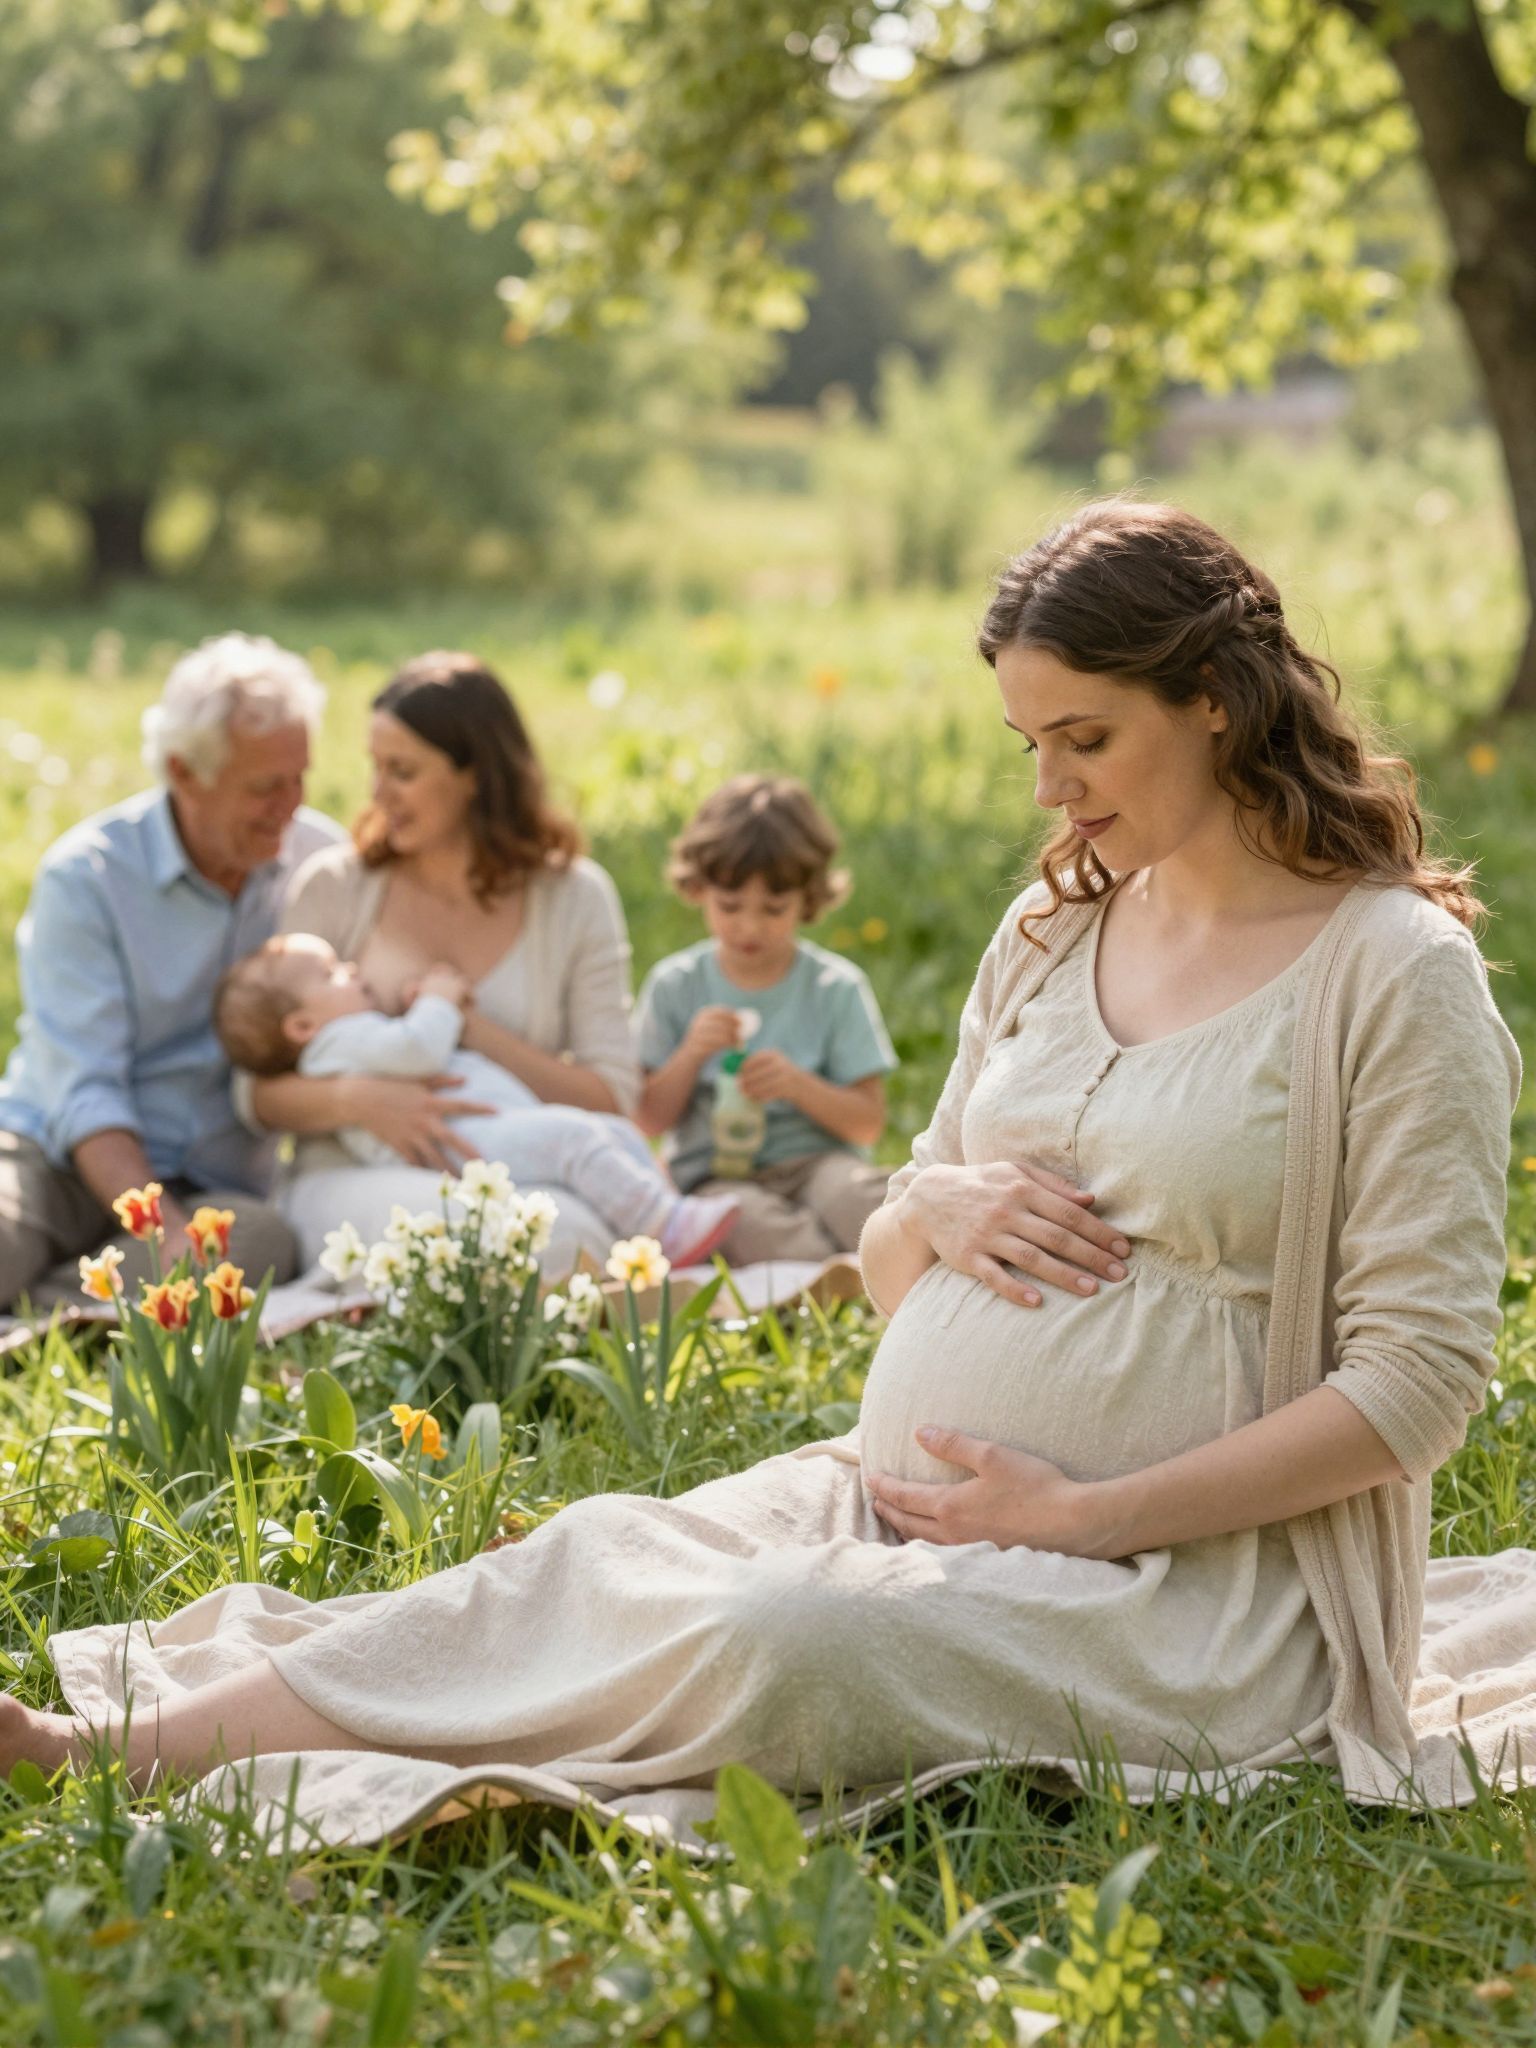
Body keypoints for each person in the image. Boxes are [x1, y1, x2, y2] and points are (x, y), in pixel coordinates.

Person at [12, 502, 1536, 1842]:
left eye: (1088, 740)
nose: (1050, 792)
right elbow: (887, 1266)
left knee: (782, 1637)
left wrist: (1086, 1516)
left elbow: (1417, 1388)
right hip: (904, 1510)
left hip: (1199, 1600)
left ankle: (219, 1741)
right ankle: (115, 1751)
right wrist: (925, 1207)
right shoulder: (1055, 929)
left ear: (1212, 699)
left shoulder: (1388, 977)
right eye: (1030, 745)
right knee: (594, 1559)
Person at [233, 650, 647, 1274]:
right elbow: (255, 1090)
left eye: (402, 772)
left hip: (523, 1161)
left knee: (581, 1219)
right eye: (375, 768)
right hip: (350, 1178)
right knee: (541, 1239)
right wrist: (360, 1100)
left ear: (475, 773)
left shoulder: (575, 898)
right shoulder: (337, 886)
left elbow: (611, 1095)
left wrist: (467, 1028)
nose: (377, 794)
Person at [0, 634, 344, 1312]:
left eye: (300, 777)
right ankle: (71, 1309)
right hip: (59, 1155)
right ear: (185, 773)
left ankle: (33, 1318)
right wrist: (162, 1230)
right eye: (265, 787)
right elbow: (83, 1092)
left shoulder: (323, 863)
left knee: (261, 1244)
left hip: (213, 1183)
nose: (290, 805)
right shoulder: (88, 877)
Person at [214, 934, 739, 1266]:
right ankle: (662, 1227)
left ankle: (660, 1218)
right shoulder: (335, 1044)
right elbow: (416, 1049)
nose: (351, 971)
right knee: (574, 1139)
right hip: (458, 1141)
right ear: (302, 1026)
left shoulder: (348, 1037)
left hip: (485, 1126)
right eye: (332, 974)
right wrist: (440, 1000)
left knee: (611, 1134)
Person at [634, 775, 898, 1264]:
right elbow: (647, 1117)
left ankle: (863, 1268)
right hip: (716, 1177)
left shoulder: (834, 988)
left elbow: (867, 1123)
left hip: (818, 1163)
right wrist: (691, 1054)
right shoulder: (675, 986)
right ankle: (839, 1279)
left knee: (868, 1201)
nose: (749, 926)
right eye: (729, 906)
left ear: (809, 898)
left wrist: (799, 1086)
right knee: (749, 1225)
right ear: (698, 889)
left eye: (774, 909)